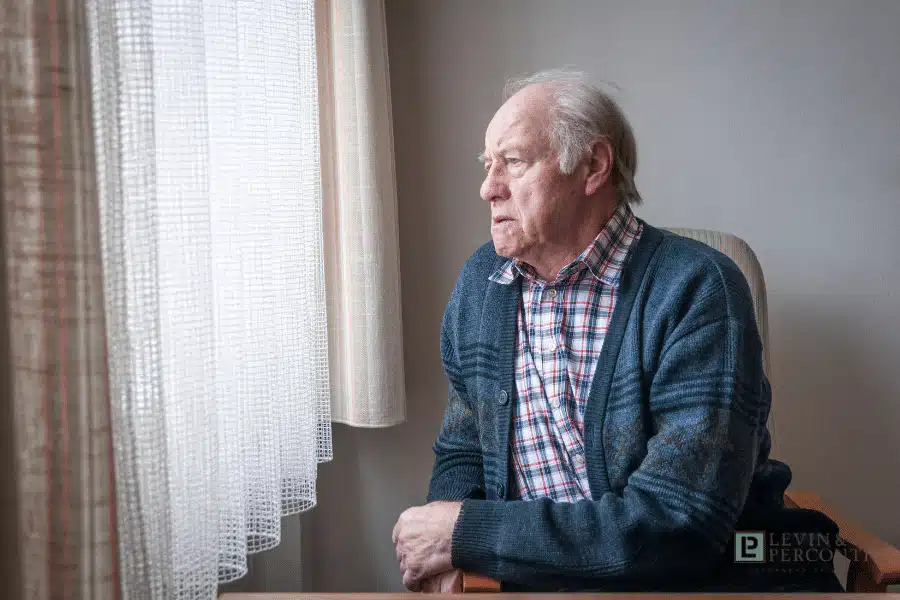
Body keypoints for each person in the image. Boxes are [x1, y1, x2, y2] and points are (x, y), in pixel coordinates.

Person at [391, 69, 842, 593]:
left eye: (512, 162)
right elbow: (464, 450)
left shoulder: (698, 287)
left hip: (714, 575)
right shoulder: (481, 285)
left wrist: (467, 534)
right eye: (487, 165)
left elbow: (680, 524)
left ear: (593, 166)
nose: (488, 188)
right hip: (541, 576)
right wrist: (450, 552)